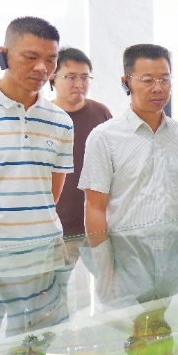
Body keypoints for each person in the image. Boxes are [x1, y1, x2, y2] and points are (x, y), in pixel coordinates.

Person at [0, 17, 74, 250]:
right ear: (4, 54)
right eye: (31, 57)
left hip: (44, 254)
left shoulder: (62, 121)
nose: (42, 68)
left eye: (51, 60)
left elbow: (49, 198)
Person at [79, 44, 178, 242]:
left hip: (175, 254)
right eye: (147, 80)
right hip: (127, 255)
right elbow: (95, 207)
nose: (158, 88)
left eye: (165, 79)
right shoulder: (104, 137)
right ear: (126, 83)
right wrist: (104, 260)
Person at [50, 47, 112, 237]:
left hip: (99, 222)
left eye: (85, 78)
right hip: (56, 225)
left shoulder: (101, 113)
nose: (79, 84)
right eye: (71, 77)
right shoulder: (43, 117)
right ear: (52, 78)